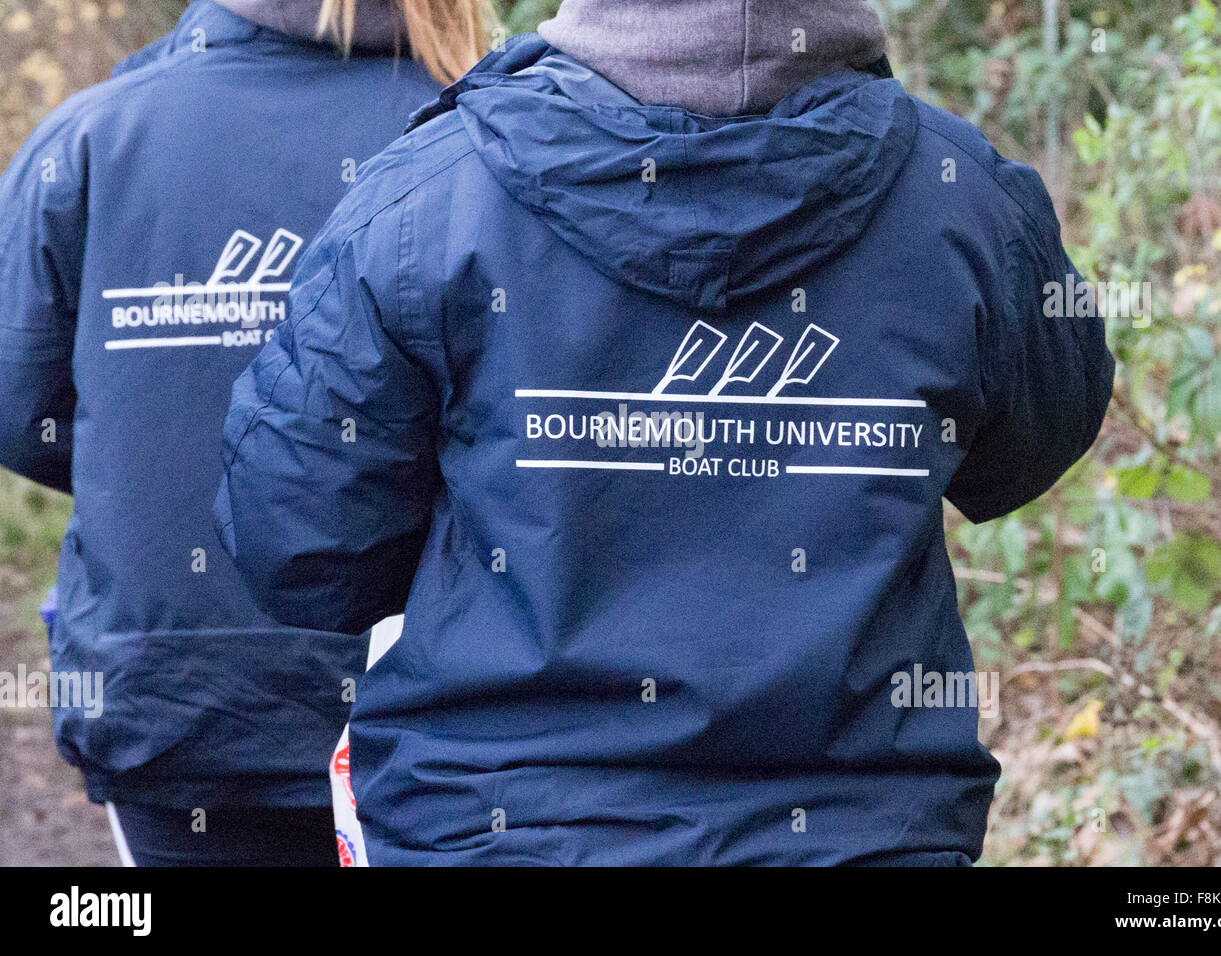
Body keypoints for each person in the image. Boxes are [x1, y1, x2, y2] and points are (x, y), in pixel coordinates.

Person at [216, 0, 1115, 865]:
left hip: (498, 823)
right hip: (860, 832)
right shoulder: (964, 205)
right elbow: (1030, 449)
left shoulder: (425, 203)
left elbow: (299, 546)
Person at [0, 0, 491, 866]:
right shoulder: (481, 137)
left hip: (166, 700)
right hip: (416, 698)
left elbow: (23, 413)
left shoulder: (94, 138)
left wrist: (157, 456)